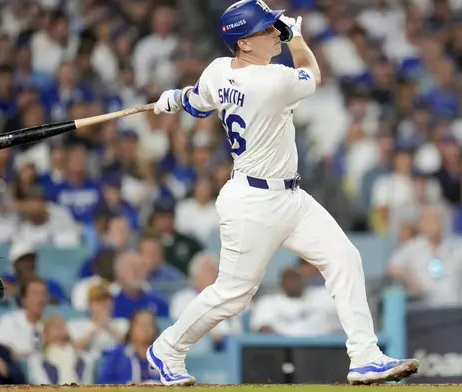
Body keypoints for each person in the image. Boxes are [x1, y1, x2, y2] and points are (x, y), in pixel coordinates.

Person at [146, 0, 419, 386]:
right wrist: (299, 37)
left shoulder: (217, 70)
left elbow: (198, 100)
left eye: (276, 27)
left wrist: (175, 98)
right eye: (267, 29)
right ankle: (167, 348)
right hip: (252, 203)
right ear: (243, 43)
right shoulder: (271, 81)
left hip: (291, 197)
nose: (276, 32)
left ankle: (364, 356)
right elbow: (311, 71)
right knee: (233, 294)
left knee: (344, 258)